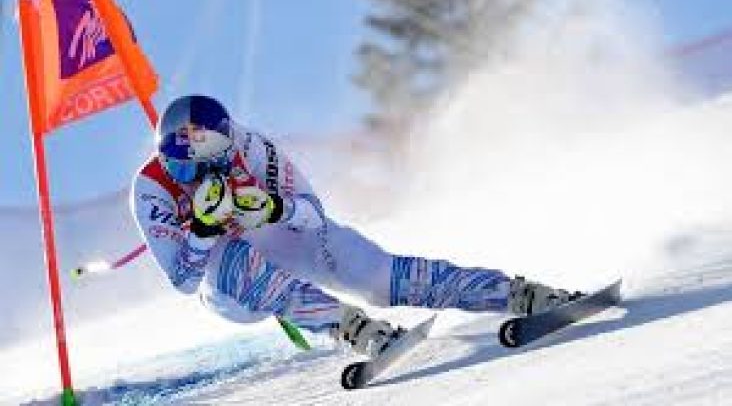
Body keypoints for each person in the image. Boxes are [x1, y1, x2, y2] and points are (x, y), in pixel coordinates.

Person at [131, 95, 579, 358]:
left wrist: (274, 209)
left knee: (376, 273)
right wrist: (202, 231)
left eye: (200, 168)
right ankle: (351, 328)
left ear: (228, 151)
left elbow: (312, 214)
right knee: (235, 260)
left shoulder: (253, 148)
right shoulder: (151, 188)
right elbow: (183, 281)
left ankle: (513, 293)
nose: (189, 180)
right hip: (229, 288)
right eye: (178, 168)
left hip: (286, 242)